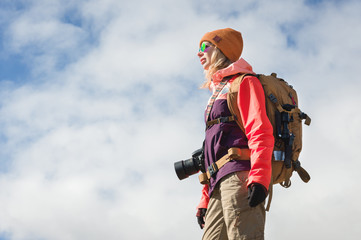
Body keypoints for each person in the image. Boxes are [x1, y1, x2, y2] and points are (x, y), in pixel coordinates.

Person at [195, 28, 274, 240]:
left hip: (239, 176)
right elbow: (213, 151)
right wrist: (205, 197)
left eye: (205, 46)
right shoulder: (218, 90)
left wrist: (259, 177)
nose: (199, 52)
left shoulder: (244, 82)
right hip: (217, 183)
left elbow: (260, 131)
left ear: (222, 49)